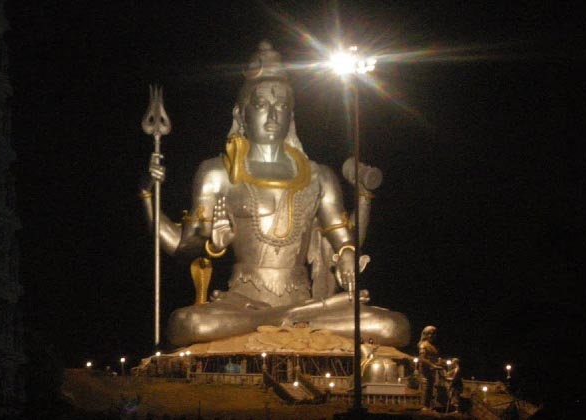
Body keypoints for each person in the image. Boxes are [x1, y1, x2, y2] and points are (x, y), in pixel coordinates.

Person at [140, 41, 409, 348]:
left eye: (281, 106)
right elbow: (183, 246)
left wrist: (347, 254)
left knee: (392, 326)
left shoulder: (318, 176)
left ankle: (284, 317)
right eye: (261, 105)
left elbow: (343, 240)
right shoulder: (218, 173)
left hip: (306, 299)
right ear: (241, 114)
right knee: (188, 323)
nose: (272, 117)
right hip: (241, 303)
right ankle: (290, 318)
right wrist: (148, 197)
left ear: (291, 115)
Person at [417, 326, 444, 410]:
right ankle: (424, 406)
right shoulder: (423, 345)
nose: (432, 336)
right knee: (425, 387)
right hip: (425, 369)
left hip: (432, 370)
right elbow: (422, 358)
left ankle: (428, 405)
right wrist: (433, 365)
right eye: (430, 334)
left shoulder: (432, 346)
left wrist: (439, 363)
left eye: (433, 334)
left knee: (431, 388)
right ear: (425, 334)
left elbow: (433, 358)